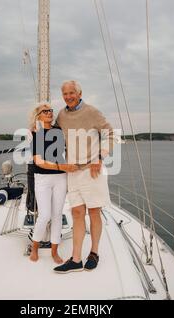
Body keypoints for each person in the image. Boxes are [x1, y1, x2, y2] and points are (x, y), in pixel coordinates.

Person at [54, 80, 114, 274]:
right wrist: (34, 132)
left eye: (72, 93)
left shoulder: (92, 112)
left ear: (80, 93)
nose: (69, 96)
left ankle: (94, 253)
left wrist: (100, 156)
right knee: (77, 213)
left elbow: (110, 135)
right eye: (65, 94)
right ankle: (76, 259)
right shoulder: (61, 115)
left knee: (94, 212)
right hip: (73, 171)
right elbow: (53, 135)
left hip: (92, 170)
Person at [29, 102, 79, 264]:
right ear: (38, 116)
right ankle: (35, 247)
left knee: (57, 215)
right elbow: (38, 161)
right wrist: (61, 166)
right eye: (45, 111)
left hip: (60, 178)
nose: (50, 113)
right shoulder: (36, 134)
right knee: (44, 215)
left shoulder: (59, 131)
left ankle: (54, 251)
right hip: (43, 178)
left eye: (50, 110)